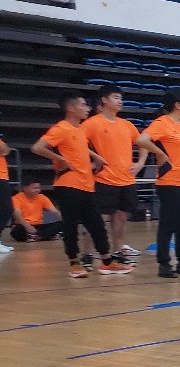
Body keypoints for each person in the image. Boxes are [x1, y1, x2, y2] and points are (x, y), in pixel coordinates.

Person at [31, 93, 132, 277]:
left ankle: (107, 261)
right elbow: (37, 147)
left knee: (97, 225)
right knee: (70, 225)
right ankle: (74, 263)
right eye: (83, 105)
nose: (87, 108)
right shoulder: (60, 128)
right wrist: (60, 159)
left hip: (87, 184)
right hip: (68, 184)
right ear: (71, 108)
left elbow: (80, 147)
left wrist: (96, 157)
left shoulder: (79, 129)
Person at [136, 88, 180, 278]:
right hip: (170, 182)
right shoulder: (162, 123)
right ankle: (164, 263)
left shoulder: (179, 125)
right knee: (168, 224)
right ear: (177, 105)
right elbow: (141, 139)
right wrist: (160, 153)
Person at [83, 84, 146, 259]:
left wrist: (140, 163)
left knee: (121, 217)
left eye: (121, 98)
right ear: (104, 100)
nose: (120, 101)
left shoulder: (127, 125)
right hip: (104, 179)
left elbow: (143, 143)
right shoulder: (92, 123)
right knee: (98, 218)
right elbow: (75, 143)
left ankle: (118, 251)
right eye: (116, 98)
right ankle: (88, 254)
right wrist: (95, 157)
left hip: (126, 179)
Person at [0, 133, 12, 253]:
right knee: (6, 208)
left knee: (6, 209)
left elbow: (6, 151)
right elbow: (4, 150)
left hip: (2, 177)